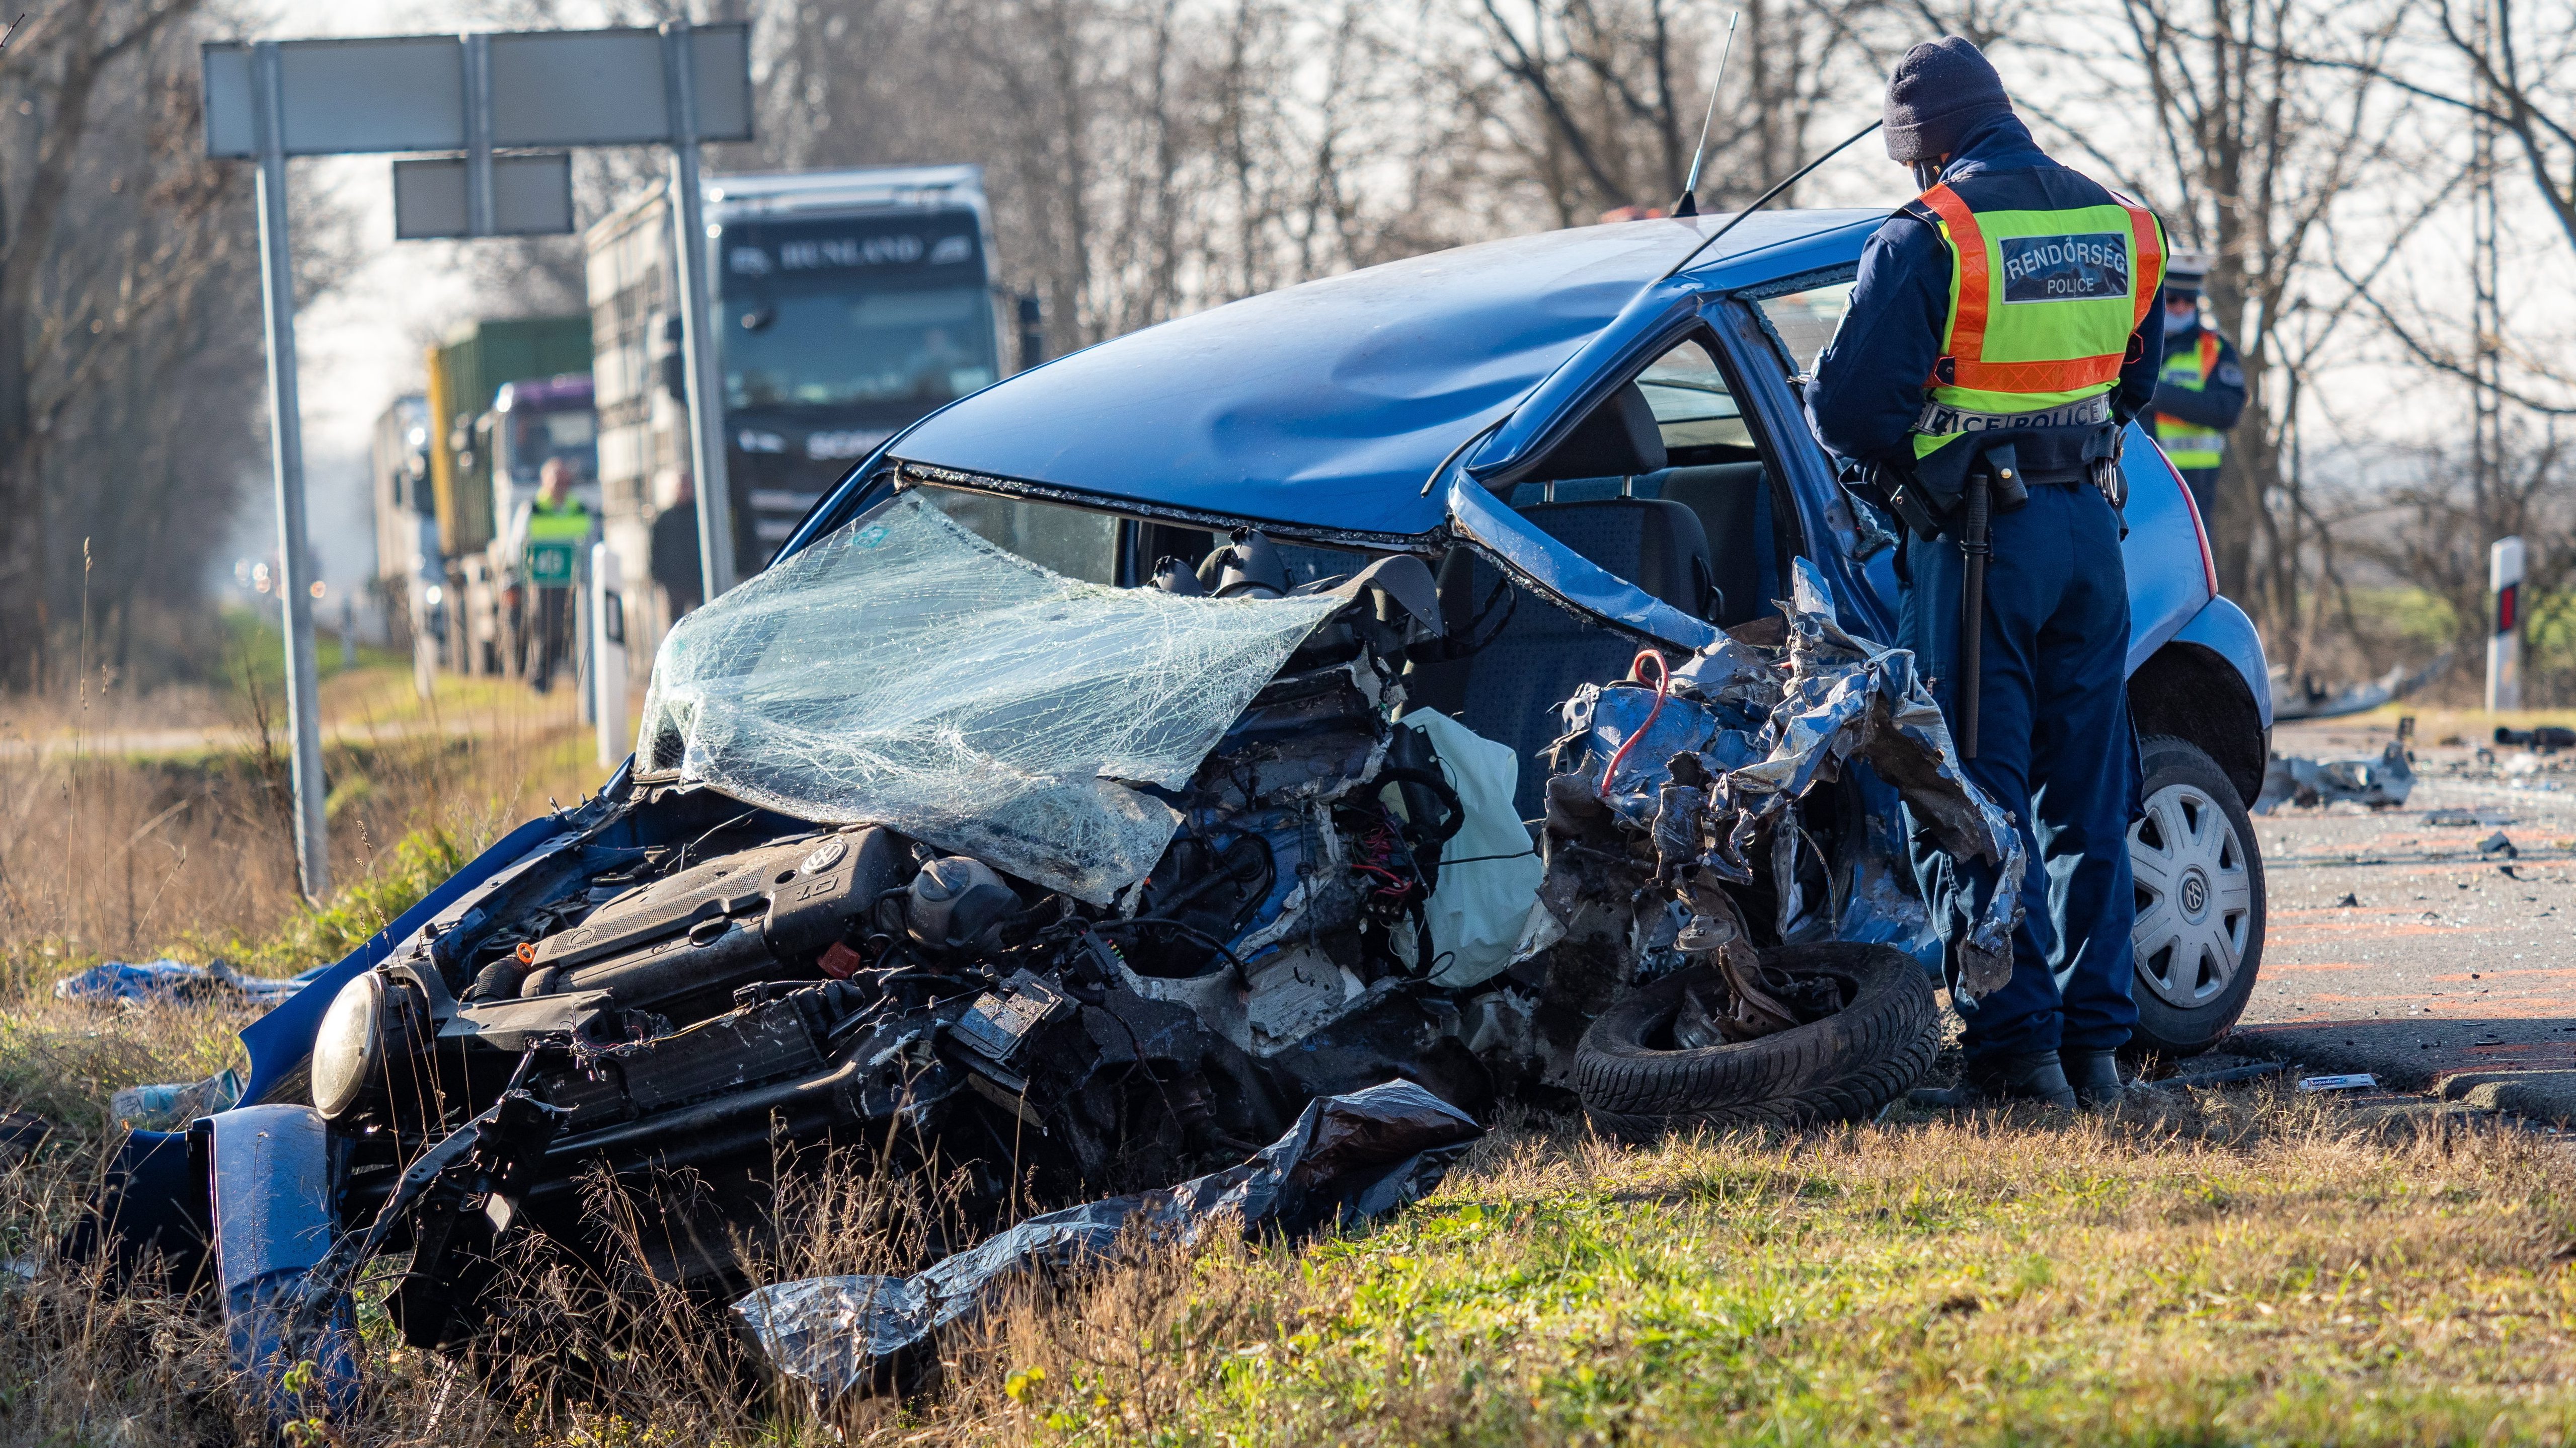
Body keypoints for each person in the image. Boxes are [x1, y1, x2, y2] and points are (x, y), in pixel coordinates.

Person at [1805, 36, 2168, 1109]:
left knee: (1972, 794)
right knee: (2090, 796)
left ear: (1922, 147)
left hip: (1978, 547)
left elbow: (1843, 413)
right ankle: (2096, 1051)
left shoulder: (1930, 235)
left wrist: (1915, 483)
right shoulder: (2126, 226)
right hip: (2090, 539)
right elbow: (2129, 382)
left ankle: (2017, 1054)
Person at [2150, 250, 2247, 522]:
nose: (2181, 307)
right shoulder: (2133, 345)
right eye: (2172, 299)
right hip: (2138, 472)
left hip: (2194, 482)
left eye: (2190, 300)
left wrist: (2157, 395)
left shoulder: (2215, 349)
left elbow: (2227, 409)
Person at [508, 458, 595, 694]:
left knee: (577, 631)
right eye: (554, 480)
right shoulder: (533, 509)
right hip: (543, 583)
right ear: (544, 482)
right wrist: (523, 577)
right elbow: (518, 545)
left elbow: (591, 544)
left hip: (574, 583)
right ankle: (540, 681)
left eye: (563, 480)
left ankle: (583, 683)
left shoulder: (578, 508)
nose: (559, 485)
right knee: (544, 630)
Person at [651, 472, 706, 620]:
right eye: (681, 486)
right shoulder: (665, 518)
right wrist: (658, 575)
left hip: (697, 579)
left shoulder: (701, 515)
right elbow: (656, 548)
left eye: (687, 486)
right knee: (676, 622)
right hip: (675, 582)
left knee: (702, 619)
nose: (684, 490)